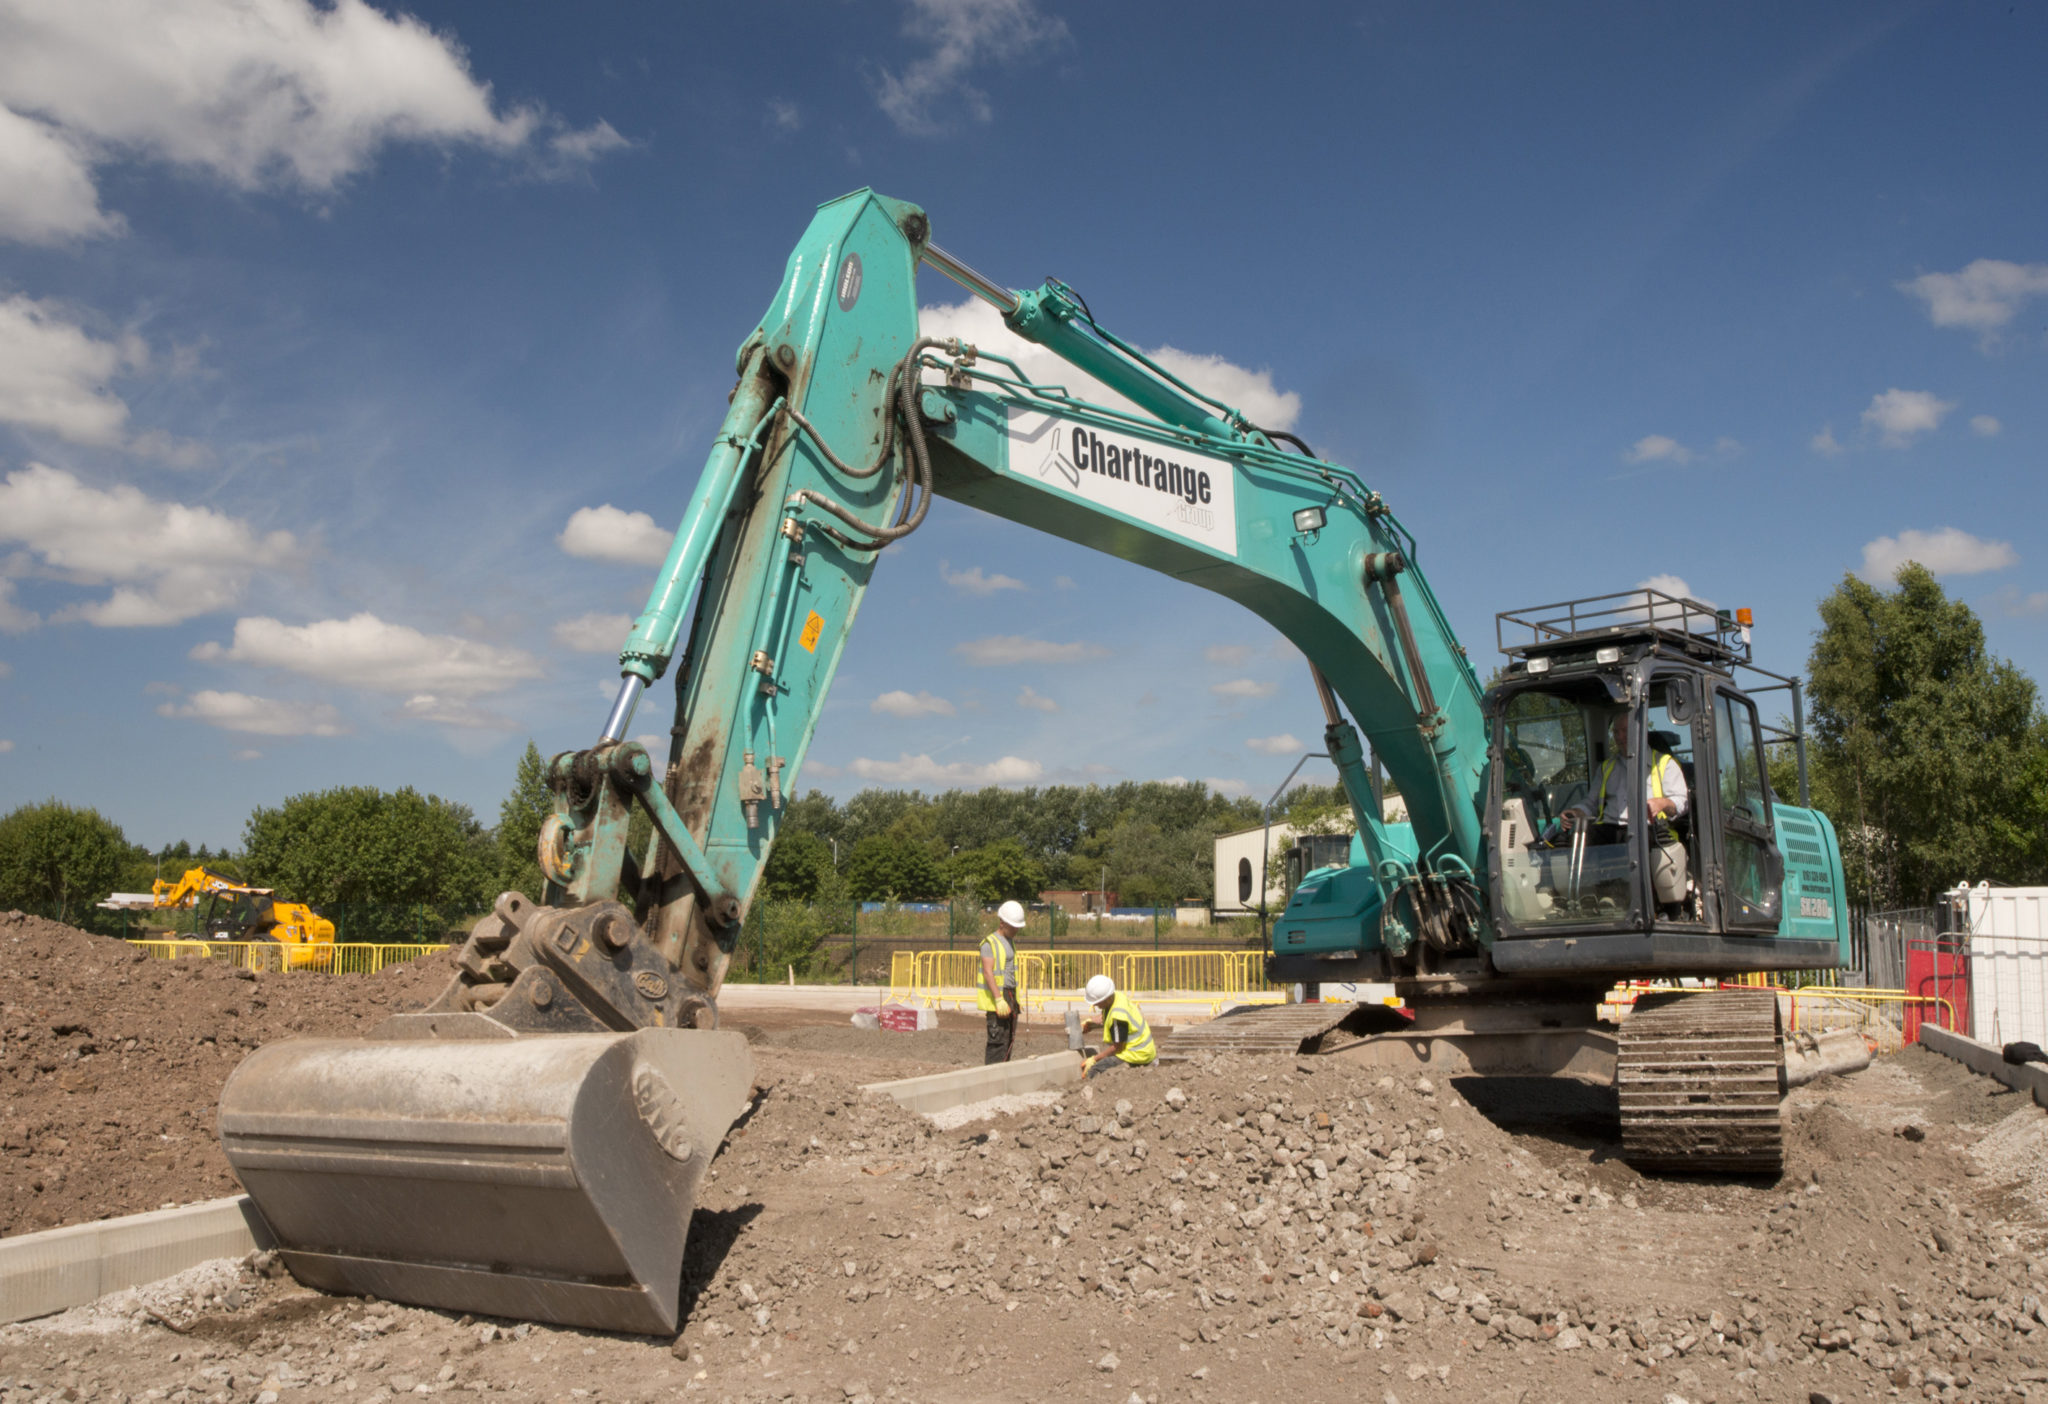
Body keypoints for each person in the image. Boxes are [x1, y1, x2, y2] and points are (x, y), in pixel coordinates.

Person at [1560, 711, 1690, 912]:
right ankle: (1588, 898)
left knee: (1633, 840)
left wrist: (1662, 803)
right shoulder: (1607, 768)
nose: (1620, 737)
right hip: (1612, 827)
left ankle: (1623, 899)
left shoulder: (1665, 764)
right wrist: (1577, 812)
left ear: (1640, 731)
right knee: (1583, 835)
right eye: (1616, 732)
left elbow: (1681, 803)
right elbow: (1590, 803)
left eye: (1625, 731)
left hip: (1650, 829)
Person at [1078, 974, 1156, 1077]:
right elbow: (1106, 1014)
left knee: (1095, 1070)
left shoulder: (1118, 1017)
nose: (1095, 1005)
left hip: (1137, 1055)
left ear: (1106, 999)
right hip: (1145, 1050)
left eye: (1097, 1002)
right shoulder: (1117, 996)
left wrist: (1094, 1059)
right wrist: (1091, 1023)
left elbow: (1117, 1048)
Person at [978, 900, 1025, 1065]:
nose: (1016, 929)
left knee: (1009, 1039)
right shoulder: (989, 943)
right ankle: (991, 1078)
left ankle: (1004, 1074)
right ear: (1002, 923)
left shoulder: (1010, 941)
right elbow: (988, 972)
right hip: (999, 995)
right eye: (1013, 926)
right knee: (997, 1040)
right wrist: (998, 998)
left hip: (1010, 994)